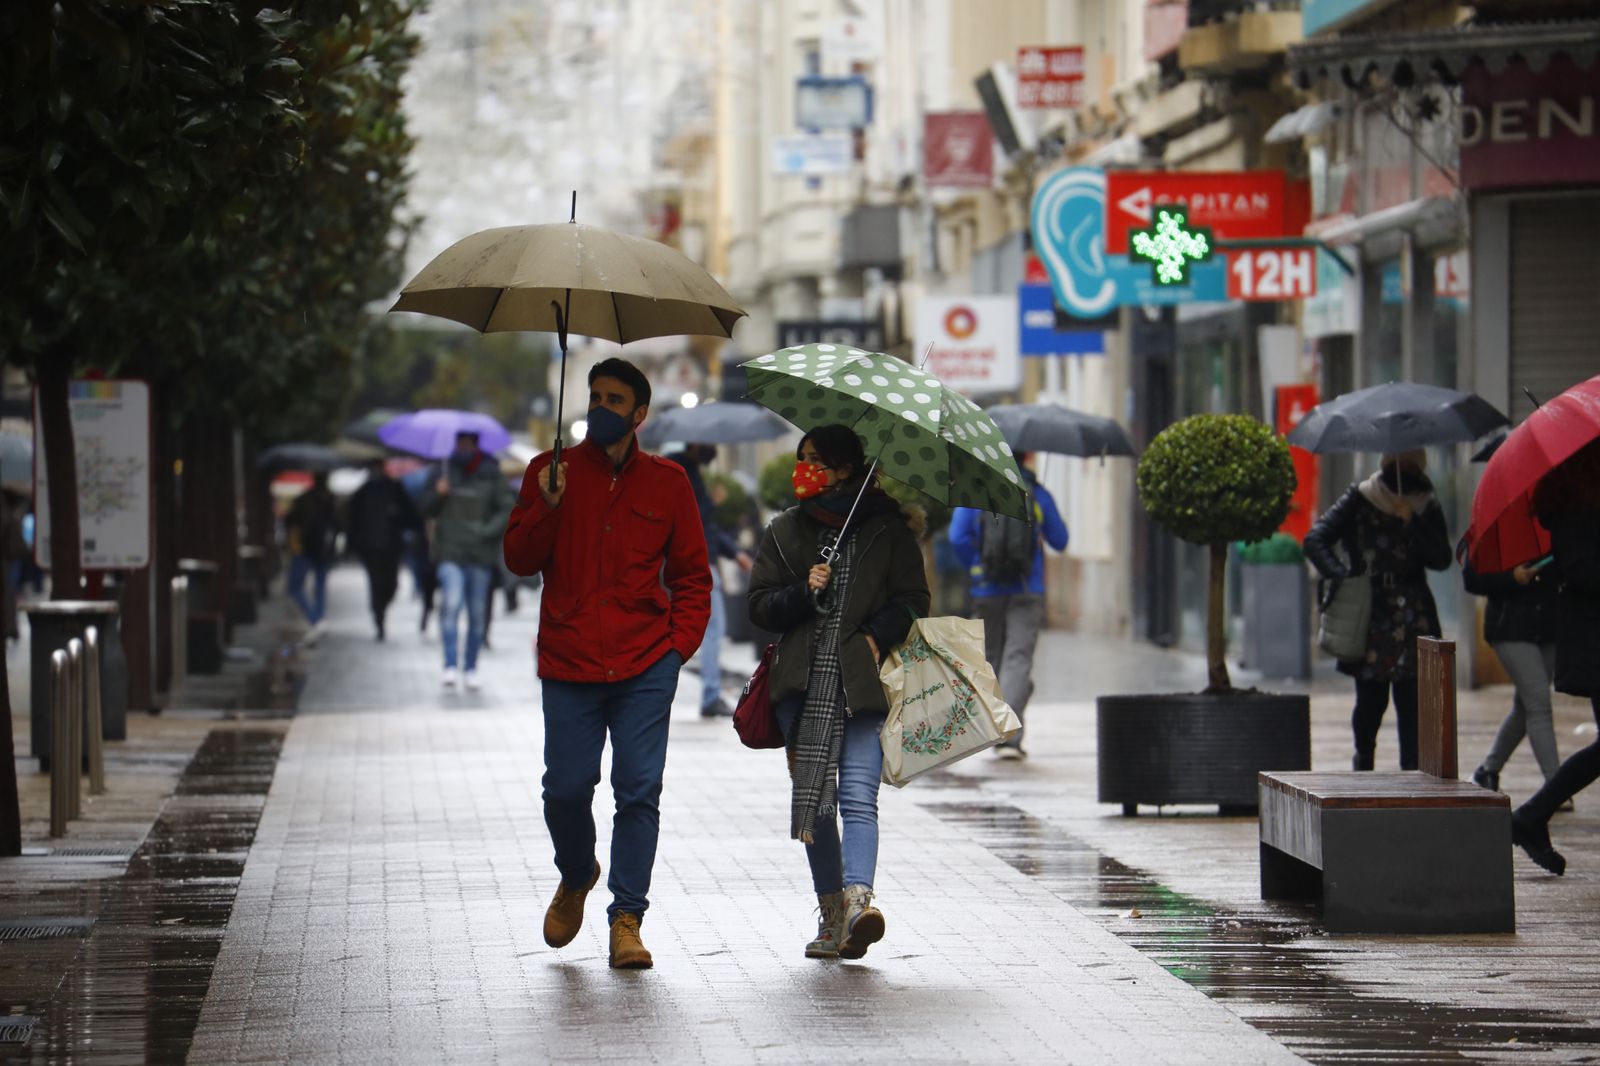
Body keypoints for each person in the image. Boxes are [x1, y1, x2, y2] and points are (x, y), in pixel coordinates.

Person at [504, 358, 711, 970]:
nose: (600, 407)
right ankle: (577, 873)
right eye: (594, 396)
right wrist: (545, 507)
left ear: (639, 413)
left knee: (639, 791)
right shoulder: (549, 472)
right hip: (569, 662)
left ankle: (627, 918)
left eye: (614, 399)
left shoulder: (669, 482)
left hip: (646, 662)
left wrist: (677, 650)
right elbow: (518, 559)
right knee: (565, 791)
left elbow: (693, 577)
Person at [747, 424, 930, 961]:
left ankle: (858, 905)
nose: (804, 468)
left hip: (861, 685)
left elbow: (914, 600)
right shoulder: (785, 530)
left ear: (847, 468)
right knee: (818, 806)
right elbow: (758, 606)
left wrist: (876, 633)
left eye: (817, 460)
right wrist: (803, 593)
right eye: (801, 457)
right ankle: (832, 915)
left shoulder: (888, 531)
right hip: (799, 689)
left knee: (857, 798)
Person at [1304, 450, 1452, 770]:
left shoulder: (1426, 504)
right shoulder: (1360, 498)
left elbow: (1441, 557)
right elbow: (1316, 539)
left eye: (1413, 462)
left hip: (1414, 615)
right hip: (1371, 615)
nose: (1405, 468)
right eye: (1400, 462)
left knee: (1412, 703)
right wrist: (1343, 576)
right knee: (1371, 700)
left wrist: (1411, 521)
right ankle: (1364, 757)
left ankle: (1413, 775)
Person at [1509, 439, 1600, 875]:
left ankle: (1532, 816)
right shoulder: (1576, 510)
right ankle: (1531, 815)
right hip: (1594, 641)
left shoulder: (1586, 504)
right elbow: (1583, 571)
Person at [948, 453, 1068, 758]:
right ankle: (1009, 738)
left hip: (987, 589)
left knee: (992, 660)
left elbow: (957, 536)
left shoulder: (975, 492)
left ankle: (998, 729)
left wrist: (977, 566)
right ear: (1027, 455)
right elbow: (1061, 539)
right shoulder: (1036, 493)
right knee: (1017, 659)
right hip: (1028, 588)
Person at [420, 431, 517, 690]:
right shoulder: (442, 472)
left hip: (479, 556)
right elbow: (424, 508)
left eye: (467, 444)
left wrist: (486, 532)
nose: (463, 448)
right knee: (450, 607)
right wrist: (438, 494)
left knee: (477, 615)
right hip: (450, 553)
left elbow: (507, 508)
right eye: (459, 443)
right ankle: (450, 665)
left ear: (475, 444)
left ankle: (471, 667)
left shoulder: (491, 473)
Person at [666, 443, 753, 718]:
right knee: (714, 629)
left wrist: (733, 551)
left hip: (697, 561)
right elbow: (692, 521)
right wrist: (711, 503)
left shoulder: (688, 470)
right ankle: (711, 694)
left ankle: (707, 692)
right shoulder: (683, 472)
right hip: (699, 563)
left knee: (704, 629)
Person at [1463, 553, 1561, 793]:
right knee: (1538, 704)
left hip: (1547, 626)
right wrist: (1512, 578)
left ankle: (1488, 770)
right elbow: (1473, 579)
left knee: (1526, 706)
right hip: (1510, 626)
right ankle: (1556, 787)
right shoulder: (1495, 532)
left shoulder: (1552, 523)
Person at [347, 459, 422, 641]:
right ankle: (379, 617)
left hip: (391, 546)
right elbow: (352, 520)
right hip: (370, 547)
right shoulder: (362, 492)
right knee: (375, 584)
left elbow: (412, 515)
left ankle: (380, 609)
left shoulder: (395, 489)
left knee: (391, 584)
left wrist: (398, 515)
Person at [284, 472, 340, 636]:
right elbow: (338, 526)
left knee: (295, 587)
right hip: (322, 551)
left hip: (304, 549)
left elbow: (290, 521)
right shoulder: (330, 501)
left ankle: (314, 618)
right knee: (320, 586)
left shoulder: (303, 500)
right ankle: (317, 618)